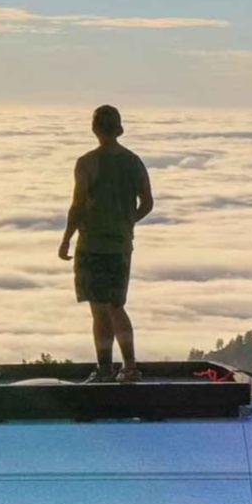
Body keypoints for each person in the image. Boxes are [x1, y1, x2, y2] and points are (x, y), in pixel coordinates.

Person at [57, 104, 155, 383]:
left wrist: (66, 239)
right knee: (116, 306)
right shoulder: (133, 161)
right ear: (119, 129)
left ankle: (104, 371)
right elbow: (147, 203)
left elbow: (77, 206)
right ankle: (130, 367)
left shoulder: (87, 162)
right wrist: (126, 223)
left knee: (99, 310)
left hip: (92, 245)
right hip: (122, 246)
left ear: (95, 128)